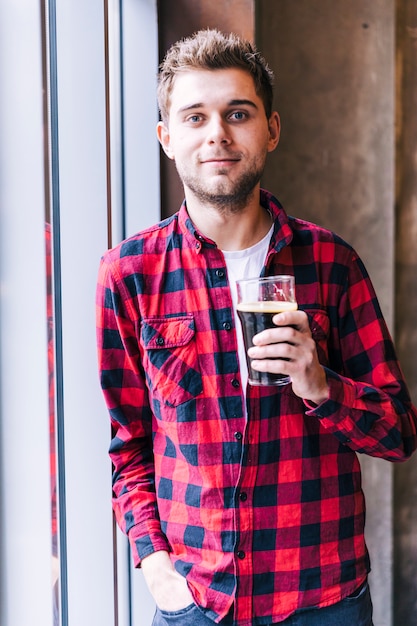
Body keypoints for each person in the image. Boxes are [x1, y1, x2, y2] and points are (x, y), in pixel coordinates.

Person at [96, 29, 417, 626]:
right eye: (195, 117)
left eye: (236, 113)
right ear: (168, 138)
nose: (217, 133)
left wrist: (321, 386)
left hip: (323, 598)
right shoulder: (130, 274)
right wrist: (155, 566)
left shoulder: (332, 264)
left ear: (271, 129)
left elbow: (397, 434)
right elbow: (129, 445)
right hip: (199, 601)